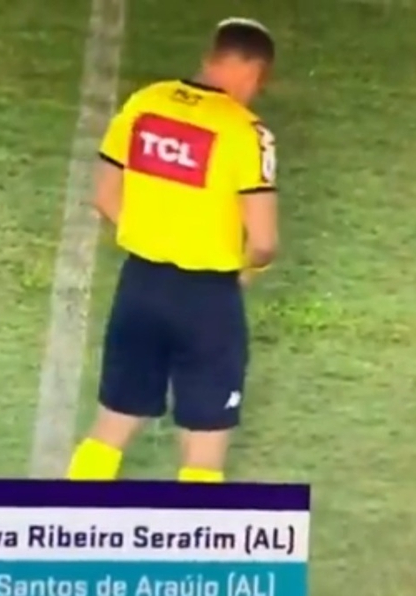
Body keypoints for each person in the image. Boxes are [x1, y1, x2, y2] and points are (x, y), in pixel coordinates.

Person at [66, 17, 279, 483]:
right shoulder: (246, 131)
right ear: (254, 74)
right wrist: (246, 269)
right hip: (207, 300)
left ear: (211, 56)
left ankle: (66, 531)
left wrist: (153, 231)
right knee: (203, 450)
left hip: (140, 284)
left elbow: (103, 194)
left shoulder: (147, 103)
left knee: (111, 426)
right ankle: (191, 555)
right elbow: (263, 241)